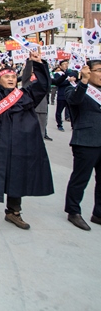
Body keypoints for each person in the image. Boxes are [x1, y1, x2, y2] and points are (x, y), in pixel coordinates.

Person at [0, 50, 54, 230]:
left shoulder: (26, 95)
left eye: (13, 76)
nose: (10, 79)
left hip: (20, 144)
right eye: (6, 76)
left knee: (18, 176)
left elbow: (43, 85)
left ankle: (13, 212)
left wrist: (38, 64)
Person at [64, 61, 101, 230]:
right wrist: (84, 81)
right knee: (81, 178)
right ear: (89, 71)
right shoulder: (77, 89)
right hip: (86, 141)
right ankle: (73, 211)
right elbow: (74, 100)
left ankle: (98, 213)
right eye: (99, 70)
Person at [52, 60, 76, 132]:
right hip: (62, 94)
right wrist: (68, 81)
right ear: (60, 66)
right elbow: (58, 83)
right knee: (59, 111)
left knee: (72, 111)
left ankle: (73, 126)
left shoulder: (71, 73)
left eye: (67, 64)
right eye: (64, 64)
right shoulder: (58, 74)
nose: (66, 65)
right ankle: (59, 125)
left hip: (70, 95)